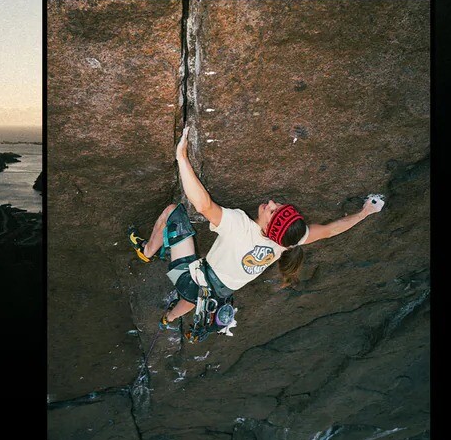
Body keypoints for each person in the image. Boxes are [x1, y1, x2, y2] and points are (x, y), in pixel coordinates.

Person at [132, 127, 384, 341]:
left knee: (171, 212)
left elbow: (203, 205)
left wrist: (182, 157)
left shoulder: (241, 227)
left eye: (272, 211)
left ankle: (146, 252)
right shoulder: (287, 241)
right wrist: (364, 213)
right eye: (279, 206)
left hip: (192, 280)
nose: (271, 203)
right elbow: (330, 231)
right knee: (197, 293)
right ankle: (169, 318)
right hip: (217, 294)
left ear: (268, 228)